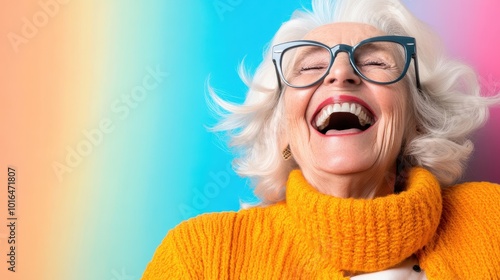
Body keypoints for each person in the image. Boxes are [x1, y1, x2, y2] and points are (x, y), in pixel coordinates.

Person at [142, 0, 500, 278]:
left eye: (375, 62)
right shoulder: (199, 258)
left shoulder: (492, 220)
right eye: (311, 67)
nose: (341, 73)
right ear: (281, 128)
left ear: (415, 119)